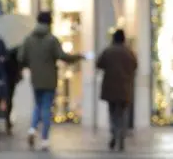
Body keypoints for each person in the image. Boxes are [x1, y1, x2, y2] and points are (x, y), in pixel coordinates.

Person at [18, 11, 83, 151]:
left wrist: (31, 64)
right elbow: (62, 55)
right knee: (47, 107)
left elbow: (21, 57)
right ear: (49, 23)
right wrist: (78, 56)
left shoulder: (29, 39)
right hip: (49, 79)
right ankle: (45, 139)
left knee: (38, 105)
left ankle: (32, 129)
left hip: (35, 78)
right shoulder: (51, 39)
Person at [96, 29, 138, 151]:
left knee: (112, 112)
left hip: (110, 87)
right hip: (125, 87)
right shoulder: (129, 52)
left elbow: (99, 64)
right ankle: (122, 135)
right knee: (123, 113)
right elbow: (135, 66)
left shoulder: (108, 51)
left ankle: (114, 132)